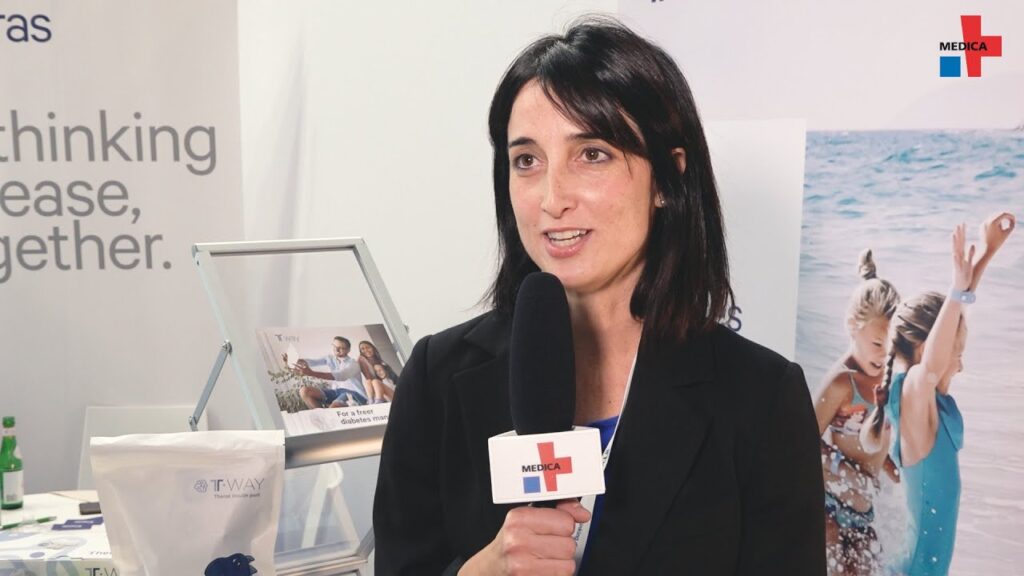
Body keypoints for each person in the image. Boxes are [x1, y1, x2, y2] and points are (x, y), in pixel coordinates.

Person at [374, 17, 825, 575]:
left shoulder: (761, 398)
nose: (552, 198)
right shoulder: (436, 377)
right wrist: (482, 571)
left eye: (591, 154)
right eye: (527, 161)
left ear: (667, 179)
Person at [861, 213, 1015, 576]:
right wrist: (957, 289)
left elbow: (949, 327)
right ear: (928, 348)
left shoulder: (931, 405)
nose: (960, 365)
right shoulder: (913, 395)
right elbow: (933, 361)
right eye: (956, 353)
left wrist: (987, 254)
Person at [812, 249, 900, 574]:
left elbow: (874, 435)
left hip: (862, 512)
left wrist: (888, 464)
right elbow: (800, 441)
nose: (884, 354)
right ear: (853, 327)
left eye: (892, 346)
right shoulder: (842, 383)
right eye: (877, 344)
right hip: (828, 506)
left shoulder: (889, 379)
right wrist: (845, 470)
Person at [285, 336, 368, 408]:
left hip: (354, 393)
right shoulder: (330, 358)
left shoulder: (353, 364)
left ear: (348, 350)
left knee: (335, 405)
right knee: (304, 391)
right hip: (336, 392)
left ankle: (329, 414)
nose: (336, 350)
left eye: (341, 348)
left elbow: (341, 376)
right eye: (335, 346)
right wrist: (293, 360)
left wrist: (311, 373)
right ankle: (322, 415)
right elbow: (312, 362)